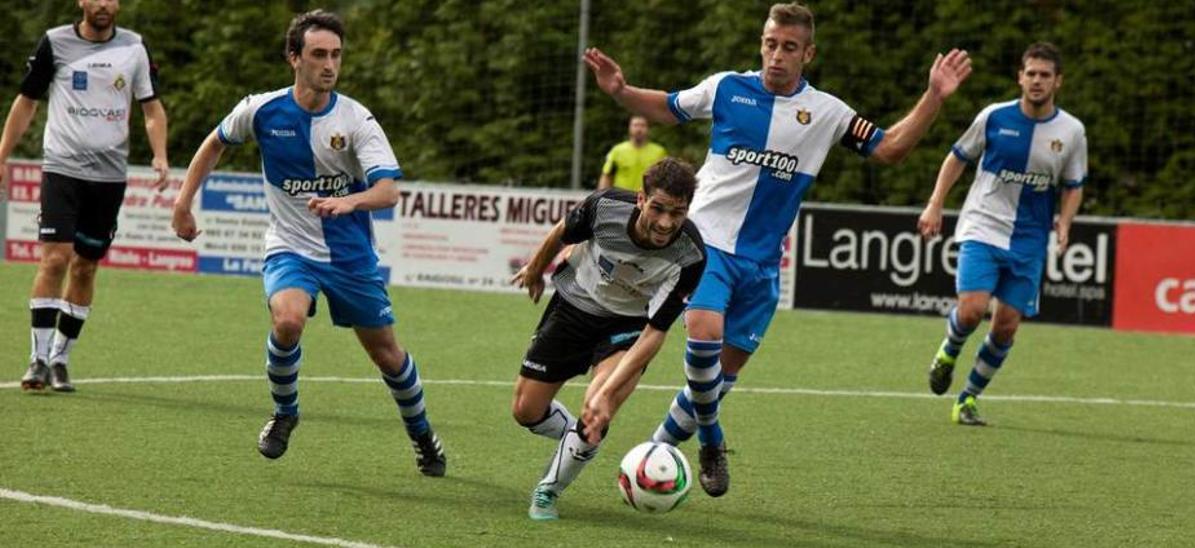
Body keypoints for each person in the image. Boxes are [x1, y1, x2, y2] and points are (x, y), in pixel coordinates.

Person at [582, 2, 971, 496]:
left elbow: (890, 148)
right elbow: (668, 106)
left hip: (763, 265)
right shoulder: (726, 87)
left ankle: (659, 450)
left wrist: (934, 97)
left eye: (789, 47)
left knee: (718, 379)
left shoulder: (828, 112)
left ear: (807, 53)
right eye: (770, 44)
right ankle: (712, 441)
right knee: (703, 334)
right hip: (706, 246)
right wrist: (620, 90)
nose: (776, 55)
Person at [170, 10, 445, 476]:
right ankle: (285, 412)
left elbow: (389, 191)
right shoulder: (261, 110)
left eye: (336, 54)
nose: (330, 64)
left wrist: (350, 202)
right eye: (319, 54)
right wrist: (182, 203)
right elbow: (214, 142)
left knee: (386, 354)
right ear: (293, 57)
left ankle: (422, 434)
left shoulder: (357, 120)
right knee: (289, 321)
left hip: (349, 256)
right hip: (290, 247)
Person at [510, 157, 704, 521]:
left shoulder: (691, 254)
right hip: (572, 306)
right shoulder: (604, 207)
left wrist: (607, 389)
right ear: (640, 199)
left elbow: (656, 332)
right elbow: (561, 232)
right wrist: (536, 270)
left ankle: (548, 490)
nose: (666, 223)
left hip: (628, 325)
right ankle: (579, 437)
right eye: (658, 208)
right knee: (525, 411)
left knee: (598, 407)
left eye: (677, 213)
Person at [1, 0, 169, 393]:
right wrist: (3, 153)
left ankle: (60, 358)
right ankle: (37, 359)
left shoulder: (135, 47)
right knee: (56, 258)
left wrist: (159, 154)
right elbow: (26, 102)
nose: (104, 4)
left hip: (109, 177)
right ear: (82, 1)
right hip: (61, 169)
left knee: (85, 268)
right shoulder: (54, 43)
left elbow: (152, 109)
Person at [918, 42, 1086, 426]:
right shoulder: (994, 117)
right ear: (1020, 78)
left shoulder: (1072, 132)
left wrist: (1065, 220)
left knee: (1006, 325)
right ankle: (949, 350)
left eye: (1045, 75)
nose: (1037, 81)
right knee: (973, 309)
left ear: (1057, 81)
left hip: (1029, 241)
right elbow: (957, 158)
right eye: (1031, 73)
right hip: (983, 225)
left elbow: (1075, 184)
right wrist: (935, 202)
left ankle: (967, 400)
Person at [598, 115, 666, 191]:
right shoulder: (617, 150)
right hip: (621, 198)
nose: (639, 129)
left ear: (648, 128)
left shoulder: (659, 152)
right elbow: (607, 175)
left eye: (642, 125)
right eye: (635, 125)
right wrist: (601, 196)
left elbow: (664, 179)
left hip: (647, 199)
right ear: (629, 128)